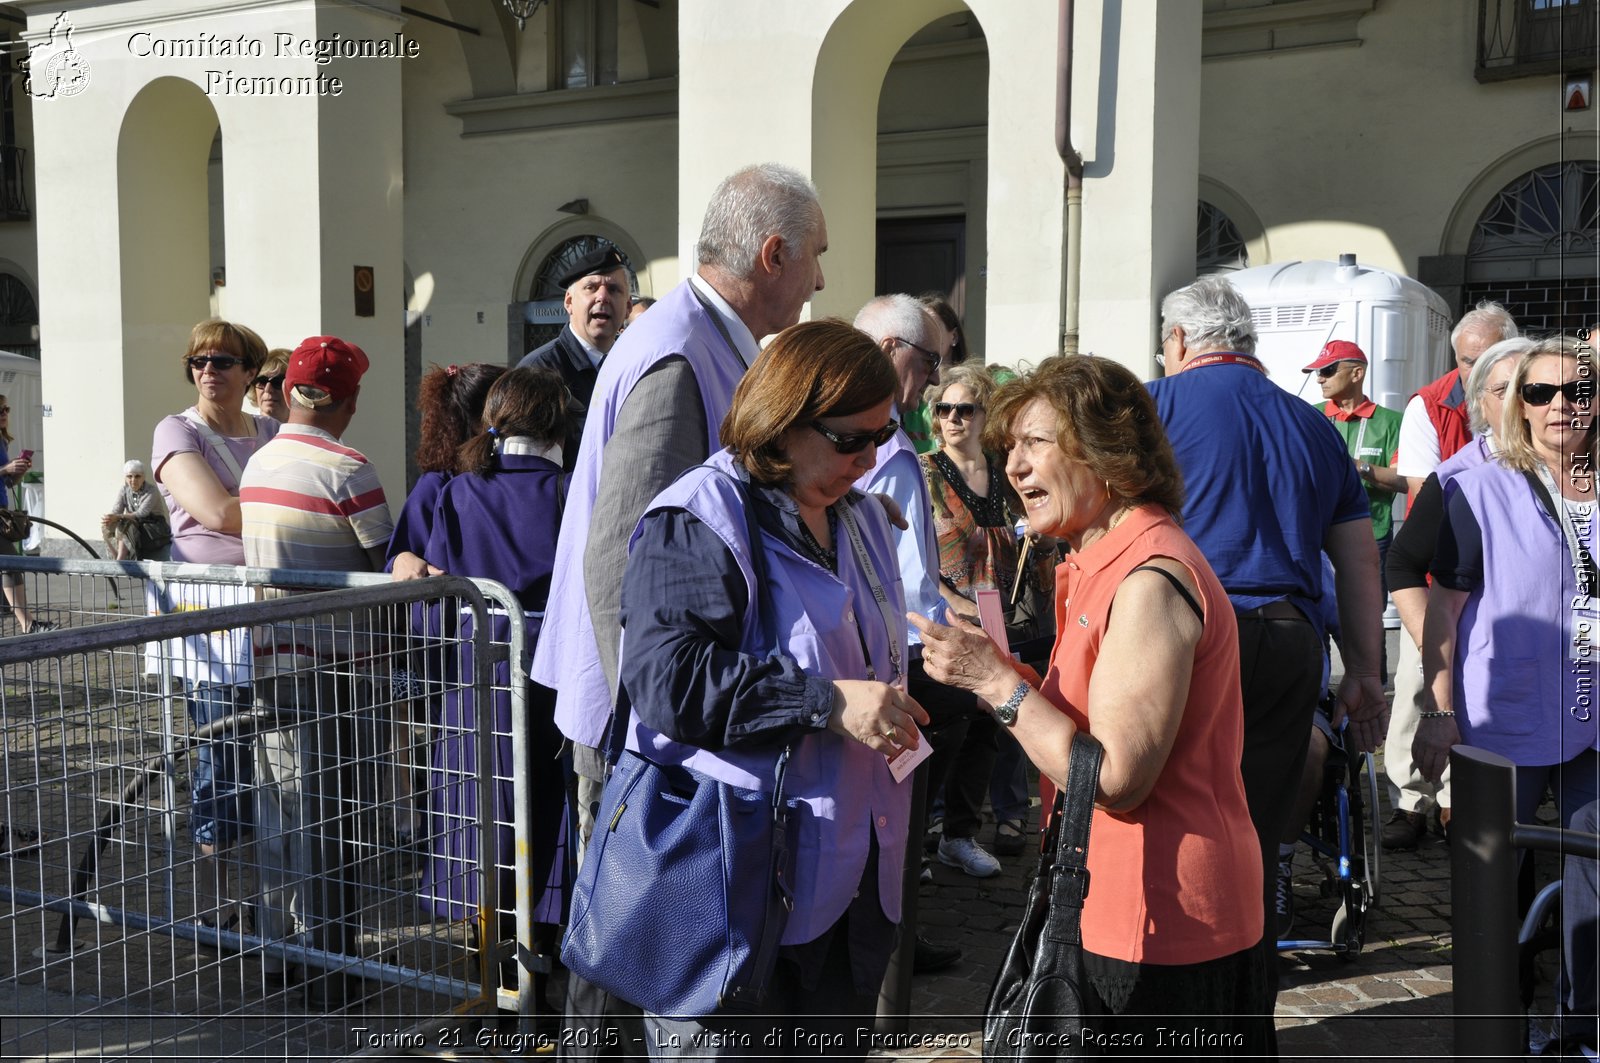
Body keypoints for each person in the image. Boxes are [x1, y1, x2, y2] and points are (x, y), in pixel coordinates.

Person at [530, 161, 826, 1054]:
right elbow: (627, 554)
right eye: (816, 257)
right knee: (627, 932)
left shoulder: (702, 338)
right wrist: (656, 716)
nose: (820, 279)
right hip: (640, 718)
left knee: (643, 932)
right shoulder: (678, 347)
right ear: (771, 253)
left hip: (652, 711)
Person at [912, 354, 1269, 1052]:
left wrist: (998, 684)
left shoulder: (1147, 579)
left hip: (1164, 920)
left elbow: (1114, 775)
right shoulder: (1098, 560)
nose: (1013, 466)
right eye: (1008, 446)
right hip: (1120, 902)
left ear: (1107, 452)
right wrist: (1000, 673)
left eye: (1035, 443)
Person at [616, 319, 926, 1058]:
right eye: (853, 438)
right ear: (783, 422)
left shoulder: (859, 517)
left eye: (883, 435)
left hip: (853, 876)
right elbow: (667, 680)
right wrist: (825, 701)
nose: (871, 457)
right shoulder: (699, 518)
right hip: (740, 882)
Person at [1146, 275, 1386, 1030]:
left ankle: (1170, 992)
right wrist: (1369, 676)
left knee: (1170, 807)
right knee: (1258, 823)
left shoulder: (1156, 406)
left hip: (1184, 630)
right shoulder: (1314, 426)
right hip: (1286, 638)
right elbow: (1359, 561)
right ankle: (1247, 1003)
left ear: (1179, 341)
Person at [399, 367, 569, 1009]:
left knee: (480, 830)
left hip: (473, 685)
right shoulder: (570, 490)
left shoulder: (457, 493)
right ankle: (541, 992)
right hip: (551, 686)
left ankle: (492, 986)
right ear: (557, 424)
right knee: (549, 828)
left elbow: (431, 606)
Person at [240, 335, 394, 1007]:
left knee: (279, 804)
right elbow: (386, 564)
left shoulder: (257, 463)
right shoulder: (349, 469)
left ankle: (280, 949)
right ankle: (330, 962)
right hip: (335, 664)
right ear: (350, 400)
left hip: (271, 654)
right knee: (330, 815)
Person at [1416, 336, 1598, 841]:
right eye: (1541, 392)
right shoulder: (1479, 490)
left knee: (1594, 866)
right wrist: (1437, 712)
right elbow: (1442, 612)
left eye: (1579, 390)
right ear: (1521, 404)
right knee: (1492, 874)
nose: (1560, 405)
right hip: (1508, 715)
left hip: (1596, 717)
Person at [149, 319, 280, 921]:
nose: (208, 372)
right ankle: (216, 897)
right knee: (221, 756)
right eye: (198, 362)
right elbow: (216, 512)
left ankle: (281, 893)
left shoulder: (273, 432)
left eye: (224, 361)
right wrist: (295, 508)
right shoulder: (178, 431)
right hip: (216, 623)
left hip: (279, 612)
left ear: (250, 371)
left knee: (284, 757)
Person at [1381, 336, 1533, 849]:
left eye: (1528, 388)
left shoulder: (1569, 468)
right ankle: (1416, 804)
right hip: (1479, 665)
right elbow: (1402, 562)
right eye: (1503, 388)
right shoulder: (1460, 476)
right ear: (1480, 403)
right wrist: (1435, 643)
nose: (1518, 399)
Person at [920, 365, 1052, 862]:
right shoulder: (924, 470)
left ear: (983, 416)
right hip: (949, 614)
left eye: (965, 409)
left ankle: (962, 832)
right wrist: (952, 602)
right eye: (944, 409)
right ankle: (929, 822)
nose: (953, 419)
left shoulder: (1004, 470)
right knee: (946, 720)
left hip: (1007, 611)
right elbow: (909, 554)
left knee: (992, 721)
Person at [385, 362, 506, 845]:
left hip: (479, 652)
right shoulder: (436, 484)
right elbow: (398, 554)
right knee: (444, 754)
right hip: (443, 653)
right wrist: (405, 558)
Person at [517, 247, 632, 470]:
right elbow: (525, 474)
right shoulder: (537, 372)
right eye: (591, 288)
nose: (602, 296)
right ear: (569, 302)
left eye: (614, 289)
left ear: (627, 307)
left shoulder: (633, 367)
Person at [1396, 301, 1519, 496]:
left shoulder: (1531, 399)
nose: (1477, 372)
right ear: (1456, 358)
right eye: (1468, 362)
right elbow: (1426, 492)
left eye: (1488, 361)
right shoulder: (1426, 406)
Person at [0, 393, 48, 633]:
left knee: (12, 565)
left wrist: (17, 472)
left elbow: (7, 483)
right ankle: (27, 623)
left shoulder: (2, 441)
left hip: (2, 512)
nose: (5, 414)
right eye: (0, 410)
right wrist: (5, 468)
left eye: (7, 409)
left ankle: (28, 622)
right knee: (10, 563)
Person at [101, 459, 169, 561]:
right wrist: (110, 518)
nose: (133, 480)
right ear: (125, 477)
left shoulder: (151, 491)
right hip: (134, 522)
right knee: (107, 525)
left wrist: (119, 517)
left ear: (143, 477)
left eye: (137, 476)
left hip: (153, 525)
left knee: (126, 523)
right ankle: (114, 558)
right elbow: (116, 510)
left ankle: (121, 559)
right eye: (129, 476)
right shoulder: (124, 490)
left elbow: (142, 513)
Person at [249, 349, 291, 423]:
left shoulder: (309, 431)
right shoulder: (240, 430)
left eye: (277, 382)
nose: (268, 389)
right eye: (262, 381)